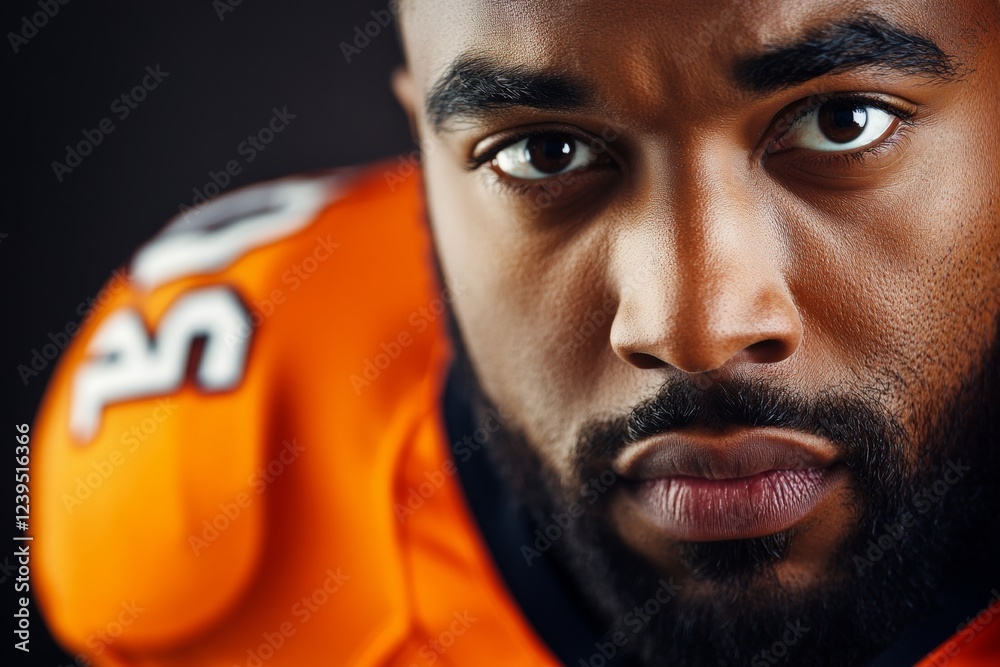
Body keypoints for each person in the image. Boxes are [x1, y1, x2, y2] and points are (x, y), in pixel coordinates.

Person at [33, 0, 1000, 665]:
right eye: (545, 150)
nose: (692, 327)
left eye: (842, 120)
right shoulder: (229, 485)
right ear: (426, 155)